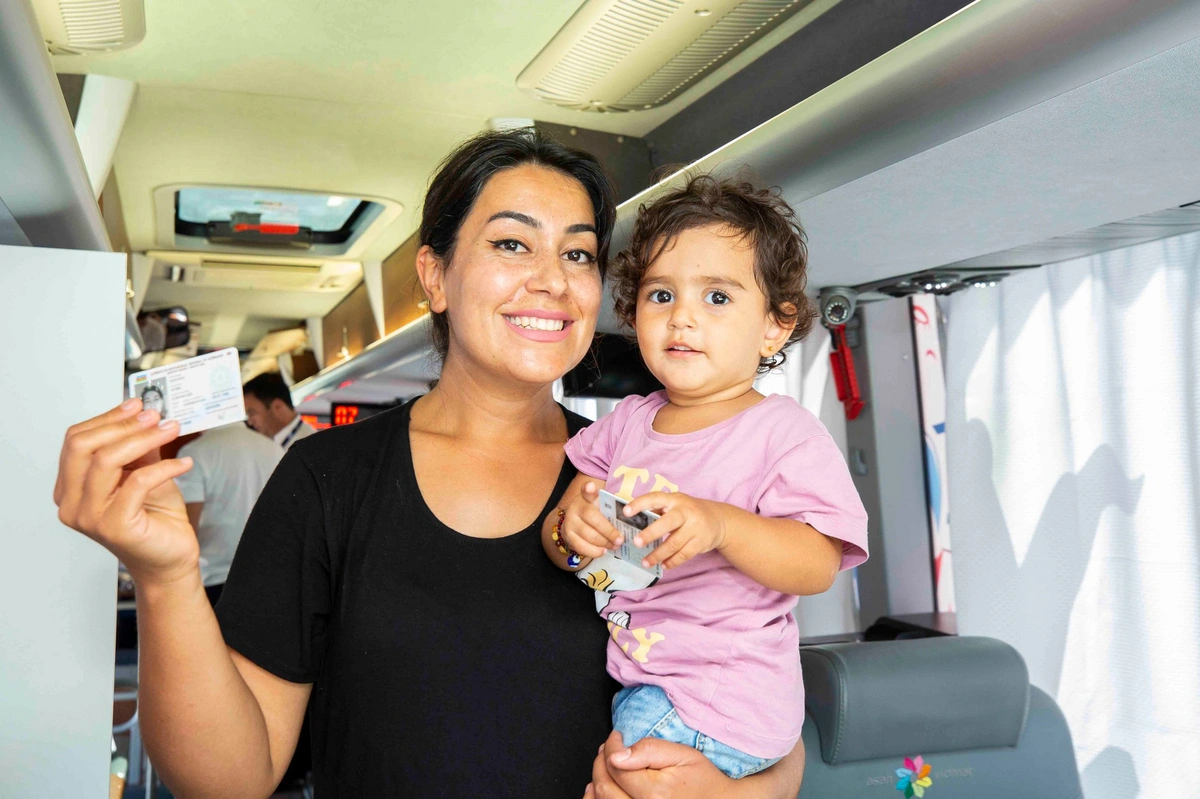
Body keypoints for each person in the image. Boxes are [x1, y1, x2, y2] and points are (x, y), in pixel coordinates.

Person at [51, 129, 804, 798]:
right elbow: (228, 780)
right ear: (436, 277)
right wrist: (165, 577)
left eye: (577, 253)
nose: (552, 278)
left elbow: (753, 695)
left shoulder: (638, 478)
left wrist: (741, 796)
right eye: (512, 244)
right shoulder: (328, 478)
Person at [545, 174, 868, 778]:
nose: (682, 318)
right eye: (661, 295)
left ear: (774, 325)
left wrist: (721, 526)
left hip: (720, 704)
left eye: (717, 297)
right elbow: (563, 532)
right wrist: (572, 531)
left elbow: (818, 564)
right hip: (648, 685)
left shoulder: (784, 434)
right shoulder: (624, 425)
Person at [173, 422, 283, 606]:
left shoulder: (195, 452)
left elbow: (186, 528)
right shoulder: (274, 449)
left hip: (214, 578)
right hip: (268, 578)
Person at [243, 371, 316, 450]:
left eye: (251, 412)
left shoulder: (309, 447)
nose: (250, 422)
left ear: (278, 407)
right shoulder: (283, 444)